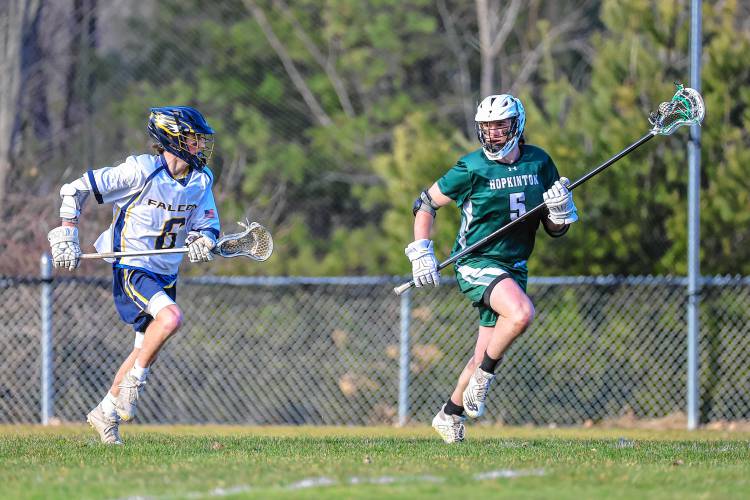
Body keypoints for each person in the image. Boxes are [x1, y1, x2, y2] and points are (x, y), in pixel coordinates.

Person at [406, 94, 578, 443]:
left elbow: (555, 230)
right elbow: (425, 203)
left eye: (501, 126)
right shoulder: (471, 168)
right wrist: (422, 250)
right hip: (476, 262)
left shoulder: (540, 163)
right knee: (520, 313)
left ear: (517, 126)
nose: (494, 134)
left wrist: (560, 213)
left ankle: (448, 414)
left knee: (482, 352)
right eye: (487, 128)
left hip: (514, 266)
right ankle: (483, 380)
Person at [47, 106, 221, 444]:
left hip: (167, 273)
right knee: (170, 319)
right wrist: (67, 230)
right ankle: (132, 389)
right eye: (193, 138)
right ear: (171, 139)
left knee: (144, 347)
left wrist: (204, 240)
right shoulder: (140, 171)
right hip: (134, 266)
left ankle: (106, 412)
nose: (199, 145)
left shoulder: (201, 180)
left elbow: (209, 223)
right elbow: (74, 189)